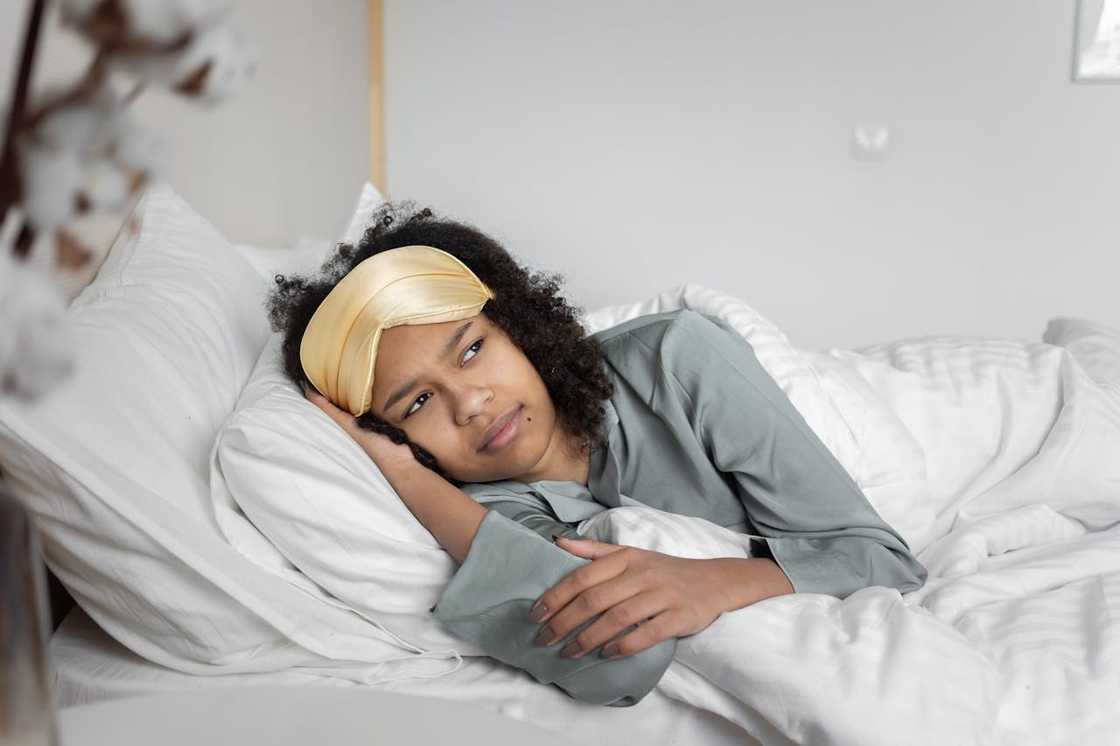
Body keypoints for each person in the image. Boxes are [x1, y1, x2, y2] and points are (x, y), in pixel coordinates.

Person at [267, 202, 927, 707]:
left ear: (520, 328)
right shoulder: (487, 515)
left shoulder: (678, 357)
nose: (469, 404)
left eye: (472, 350)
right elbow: (620, 667)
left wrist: (710, 583)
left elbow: (882, 558)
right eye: (416, 405)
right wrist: (405, 475)